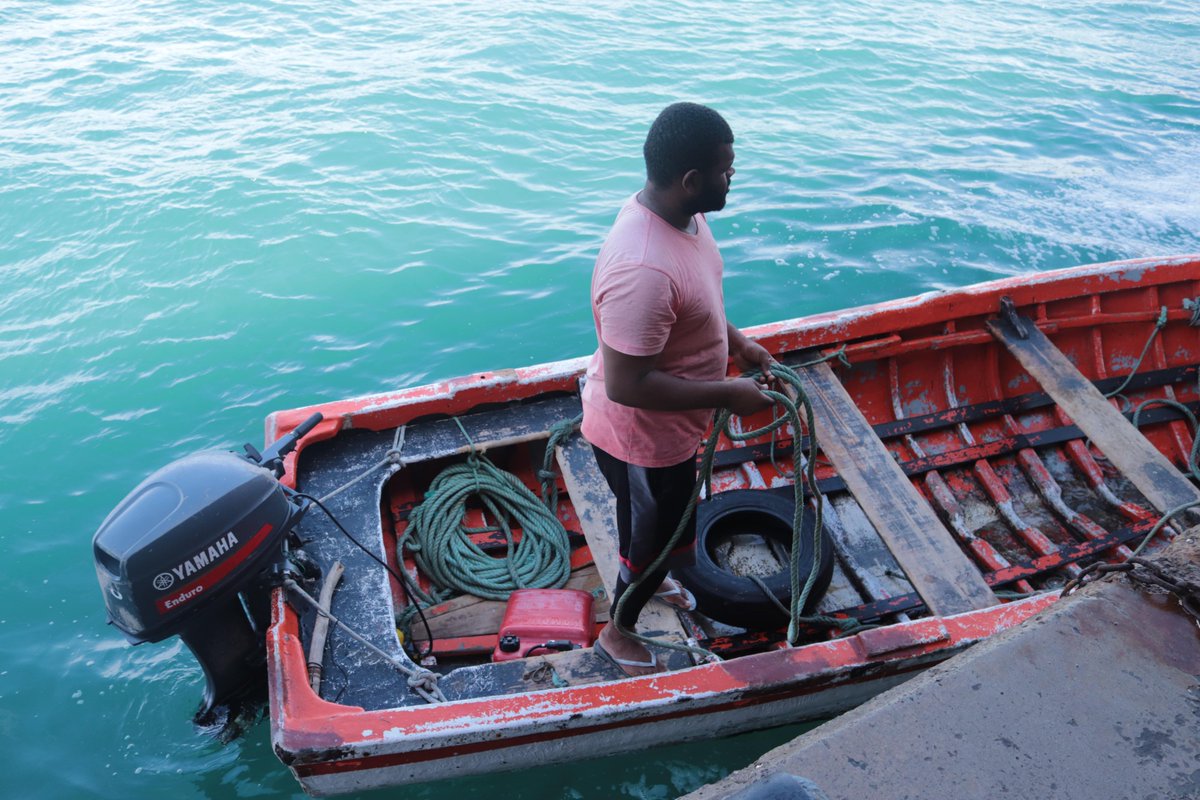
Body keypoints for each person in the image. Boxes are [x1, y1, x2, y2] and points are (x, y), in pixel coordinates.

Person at [581, 102, 776, 677]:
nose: (733, 177)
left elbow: (701, 302)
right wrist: (729, 394)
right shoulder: (643, 268)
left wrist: (738, 346)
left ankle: (650, 567)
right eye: (725, 169)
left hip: (666, 432)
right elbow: (625, 384)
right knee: (653, 538)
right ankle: (618, 633)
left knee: (647, 523)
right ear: (692, 180)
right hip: (643, 438)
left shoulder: (685, 219)